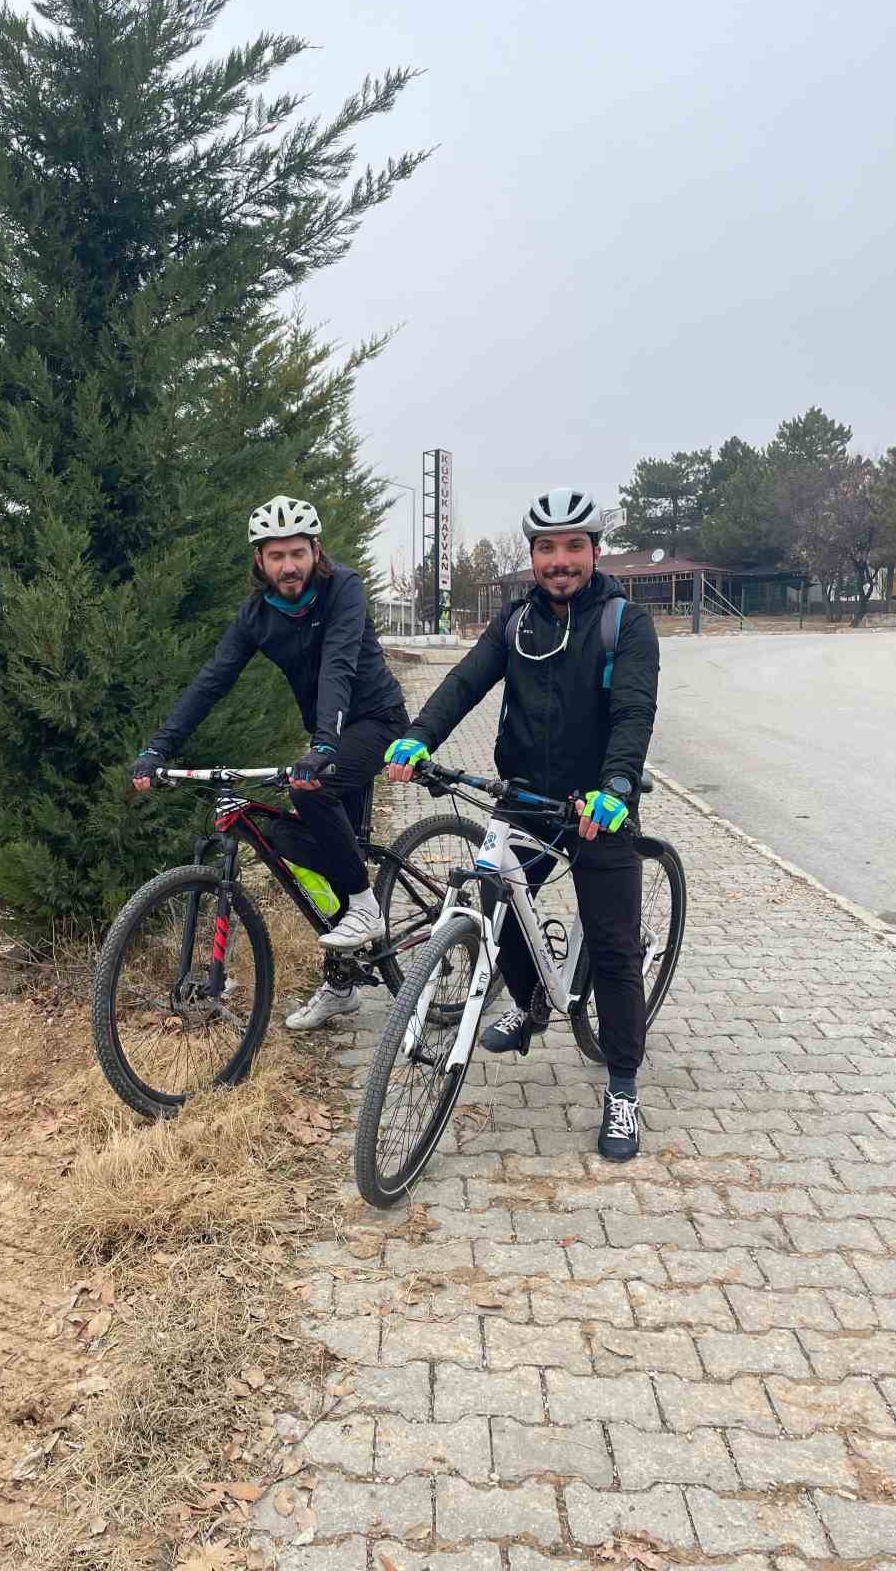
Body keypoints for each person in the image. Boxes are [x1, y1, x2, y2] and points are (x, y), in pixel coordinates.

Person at [385, 487, 659, 1161]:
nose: (560, 560)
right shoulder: (515, 623)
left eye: (573, 547)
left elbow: (633, 713)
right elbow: (464, 683)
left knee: (616, 949)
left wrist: (617, 787)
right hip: (526, 798)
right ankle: (533, 1003)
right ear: (532, 555)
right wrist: (420, 736)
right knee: (494, 899)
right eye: (547, 548)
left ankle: (622, 1088)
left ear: (594, 551)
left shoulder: (626, 623)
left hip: (598, 807)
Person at [133, 495, 409, 1029]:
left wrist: (326, 743)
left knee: (310, 794)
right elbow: (212, 680)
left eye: (298, 553)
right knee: (293, 838)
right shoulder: (257, 615)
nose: (289, 566)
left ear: (316, 551)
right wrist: (158, 747)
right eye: (276, 555)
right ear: (260, 560)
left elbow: (340, 663)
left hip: (374, 721)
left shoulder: (343, 590)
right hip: (326, 736)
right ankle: (343, 981)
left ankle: (366, 908)